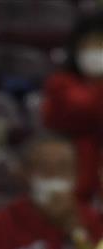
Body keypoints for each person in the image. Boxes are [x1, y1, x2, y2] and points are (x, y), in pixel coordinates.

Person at [41, 11, 103, 205]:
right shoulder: (60, 84)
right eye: (89, 45)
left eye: (101, 44)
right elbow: (82, 112)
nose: (95, 51)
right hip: (76, 183)